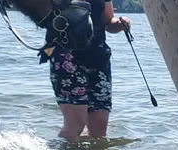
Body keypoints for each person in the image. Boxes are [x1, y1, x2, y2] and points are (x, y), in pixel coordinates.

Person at [45, 1, 130, 139]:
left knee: (99, 128)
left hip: (98, 58)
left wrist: (120, 24)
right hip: (66, 56)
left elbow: (108, 21)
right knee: (75, 125)